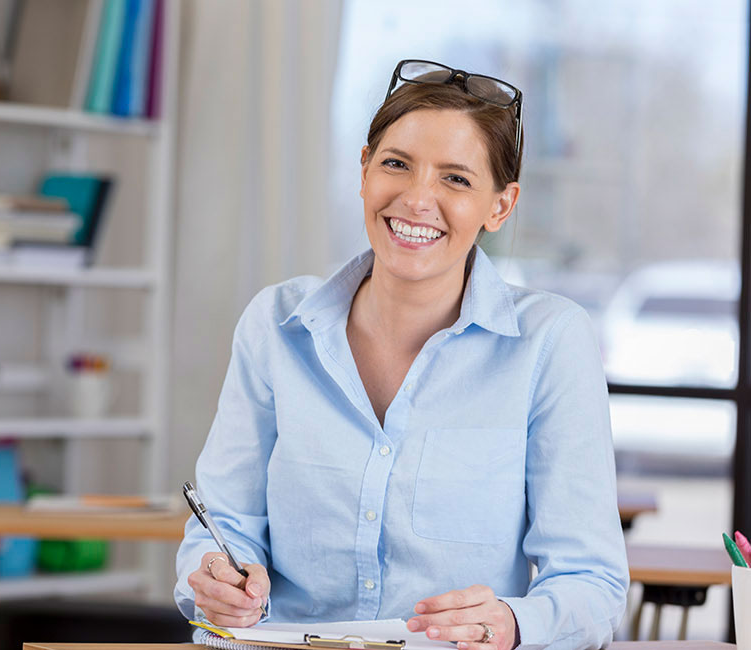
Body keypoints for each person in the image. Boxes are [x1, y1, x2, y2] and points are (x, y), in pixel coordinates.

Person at [172, 60, 629, 650]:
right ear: (364, 170)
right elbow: (222, 526)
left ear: (500, 206)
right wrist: (217, 576)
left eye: (456, 179)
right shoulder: (275, 324)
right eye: (396, 164)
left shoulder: (550, 341)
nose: (416, 199)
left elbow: (591, 582)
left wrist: (513, 624)